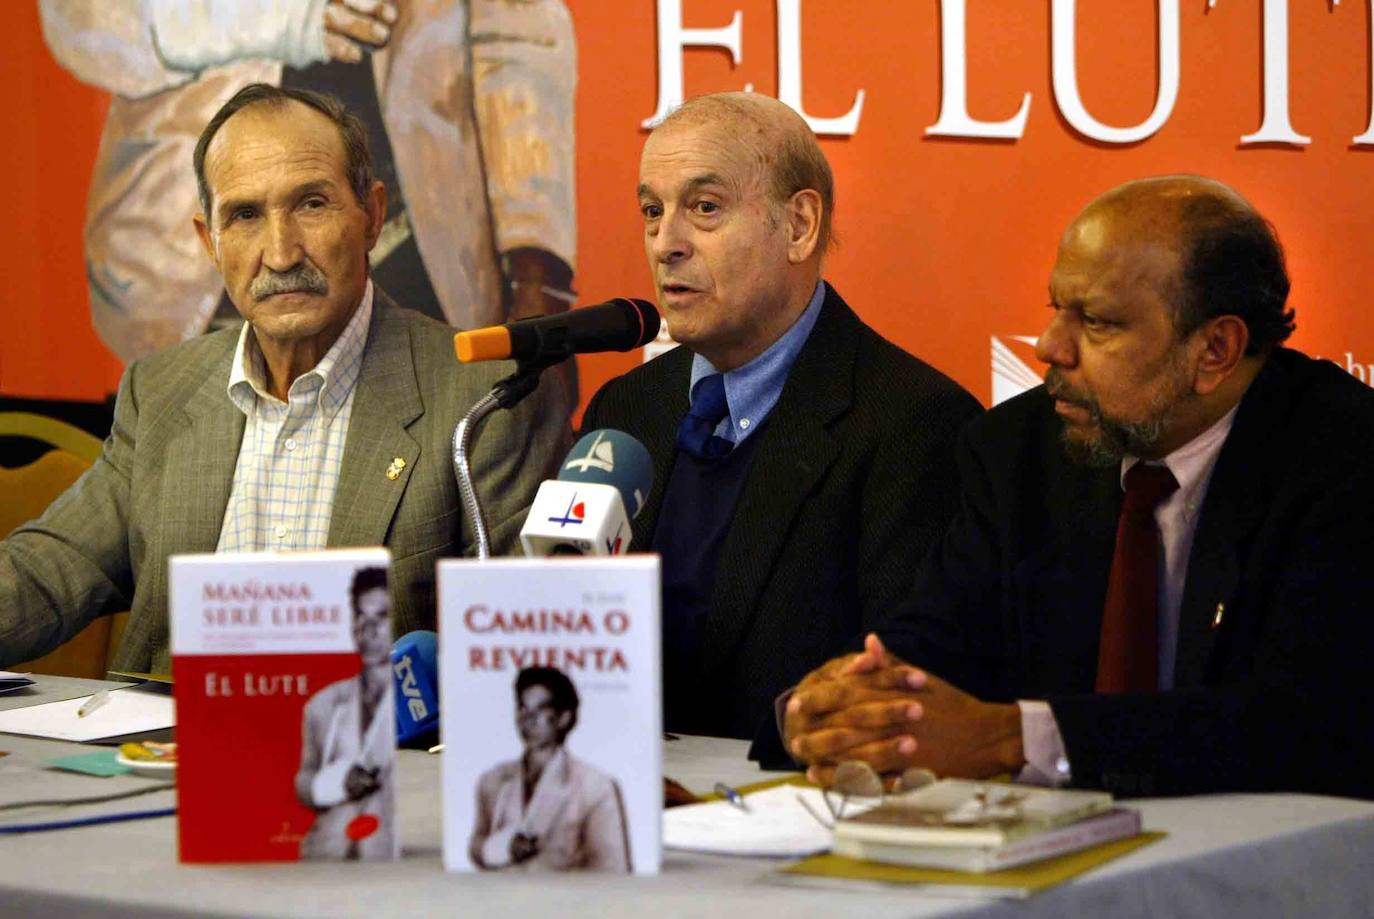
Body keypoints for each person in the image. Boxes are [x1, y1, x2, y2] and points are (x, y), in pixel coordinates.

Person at [783, 176, 1374, 799]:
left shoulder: (1345, 460)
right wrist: (844, 705)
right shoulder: (1014, 450)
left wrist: (1015, 739)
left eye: (1096, 323)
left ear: (1215, 350)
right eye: (1056, 310)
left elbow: (1300, 722)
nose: (1049, 347)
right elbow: (938, 637)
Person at [0, 84, 568, 673]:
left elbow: (529, 652)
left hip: (373, 755)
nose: (280, 252)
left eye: (311, 205)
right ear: (210, 242)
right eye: (245, 215)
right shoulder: (162, 391)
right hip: (173, 753)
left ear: (371, 217)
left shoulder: (488, 396)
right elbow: (46, 573)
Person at [580, 93, 982, 754]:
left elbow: (894, 690)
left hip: (799, 813)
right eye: (652, 209)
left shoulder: (916, 426)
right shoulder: (625, 409)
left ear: (799, 224)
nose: (665, 243)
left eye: (704, 208)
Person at [39, 0, 578, 358]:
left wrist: (538, 266)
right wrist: (284, 18)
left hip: (430, 265)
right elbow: (85, 22)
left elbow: (517, 39)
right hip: (190, 280)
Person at [468, 666, 630, 872]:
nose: (528, 720)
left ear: (564, 717)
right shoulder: (492, 780)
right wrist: (502, 847)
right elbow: (476, 844)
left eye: (540, 710)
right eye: (523, 709)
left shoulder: (595, 786)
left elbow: (611, 867)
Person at [295, 566, 397, 860]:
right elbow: (305, 779)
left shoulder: (418, 697)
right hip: (325, 857)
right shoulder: (322, 705)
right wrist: (337, 784)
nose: (368, 630)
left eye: (381, 617)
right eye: (360, 618)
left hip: (394, 863)